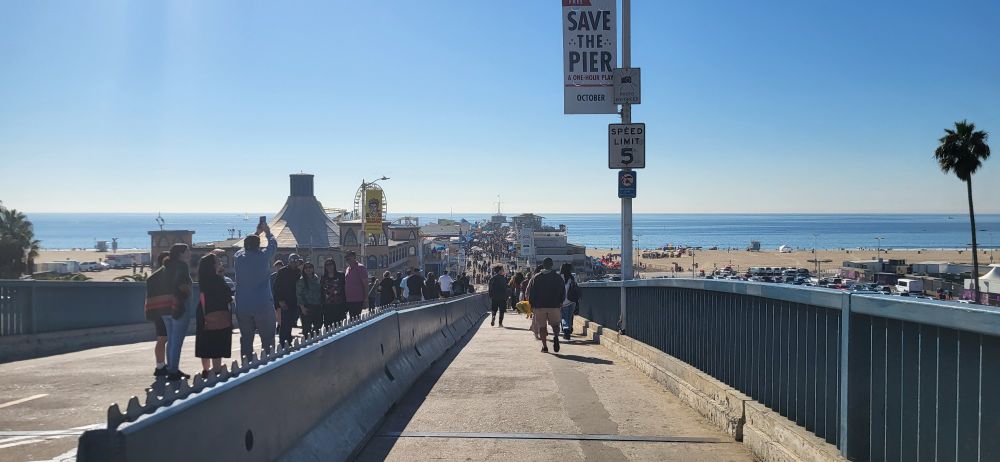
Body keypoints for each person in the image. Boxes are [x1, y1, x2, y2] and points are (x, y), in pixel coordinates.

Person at [146, 244, 194, 381]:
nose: (190, 254)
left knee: (171, 339)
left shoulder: (166, 267)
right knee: (176, 340)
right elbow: (182, 284)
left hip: (165, 309)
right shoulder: (181, 266)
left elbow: (151, 279)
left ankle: (171, 368)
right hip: (178, 308)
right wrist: (184, 293)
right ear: (181, 253)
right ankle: (173, 370)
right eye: (188, 251)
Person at [234, 225, 278, 360]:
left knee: (246, 338)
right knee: (268, 338)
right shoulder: (263, 256)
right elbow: (273, 244)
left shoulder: (239, 257)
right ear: (258, 245)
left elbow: (244, 248)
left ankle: (246, 364)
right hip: (262, 304)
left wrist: (256, 233)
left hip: (242, 305)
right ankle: (268, 362)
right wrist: (268, 233)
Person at [195, 253, 233, 378]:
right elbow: (227, 296)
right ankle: (216, 371)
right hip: (218, 313)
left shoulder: (203, 279)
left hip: (204, 311)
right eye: (218, 262)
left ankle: (206, 370)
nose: (220, 263)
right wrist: (222, 277)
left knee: (204, 341)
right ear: (213, 265)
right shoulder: (218, 280)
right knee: (217, 342)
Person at [526, 258, 565, 353]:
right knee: (555, 325)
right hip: (554, 305)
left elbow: (532, 292)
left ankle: (545, 346)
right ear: (552, 265)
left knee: (542, 327)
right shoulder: (557, 277)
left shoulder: (537, 277)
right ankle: (556, 336)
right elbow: (562, 291)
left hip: (540, 306)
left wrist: (532, 304)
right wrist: (560, 301)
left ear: (543, 265)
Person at [144, 251, 170, 377]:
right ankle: (161, 366)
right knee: (163, 338)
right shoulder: (164, 276)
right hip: (165, 311)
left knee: (163, 338)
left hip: (157, 311)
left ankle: (161, 365)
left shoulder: (153, 277)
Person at [274, 254, 303, 346]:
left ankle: (288, 340)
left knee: (292, 321)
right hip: (285, 301)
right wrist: (280, 300)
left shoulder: (299, 272)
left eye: (296, 260)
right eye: (292, 260)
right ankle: (283, 342)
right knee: (285, 323)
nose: (294, 262)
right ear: (289, 261)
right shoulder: (282, 271)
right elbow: (276, 287)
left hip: (295, 301)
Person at [297, 261, 323, 334]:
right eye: (306, 268)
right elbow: (299, 295)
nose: (308, 269)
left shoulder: (316, 278)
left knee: (318, 326)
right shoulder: (301, 280)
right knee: (306, 328)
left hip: (317, 306)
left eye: (310, 267)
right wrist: (302, 308)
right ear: (304, 270)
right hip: (307, 307)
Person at [320, 258, 346, 327]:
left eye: (331, 264)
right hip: (327, 307)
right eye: (327, 265)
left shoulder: (341, 276)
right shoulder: (323, 278)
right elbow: (322, 292)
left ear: (334, 265)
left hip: (339, 306)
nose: (329, 266)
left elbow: (345, 289)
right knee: (328, 327)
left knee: (339, 327)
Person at [558, 263, 581, 341]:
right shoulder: (573, 277)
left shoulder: (559, 277)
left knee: (564, 316)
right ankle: (569, 328)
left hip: (563, 300)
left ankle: (566, 330)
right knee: (570, 316)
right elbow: (577, 287)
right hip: (572, 300)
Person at [344, 250, 369, 319]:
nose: (348, 260)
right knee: (351, 318)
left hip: (357, 299)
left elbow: (365, 284)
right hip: (349, 299)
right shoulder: (347, 269)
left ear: (354, 257)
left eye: (349, 258)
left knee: (355, 319)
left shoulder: (360, 268)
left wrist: (366, 299)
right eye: (346, 258)